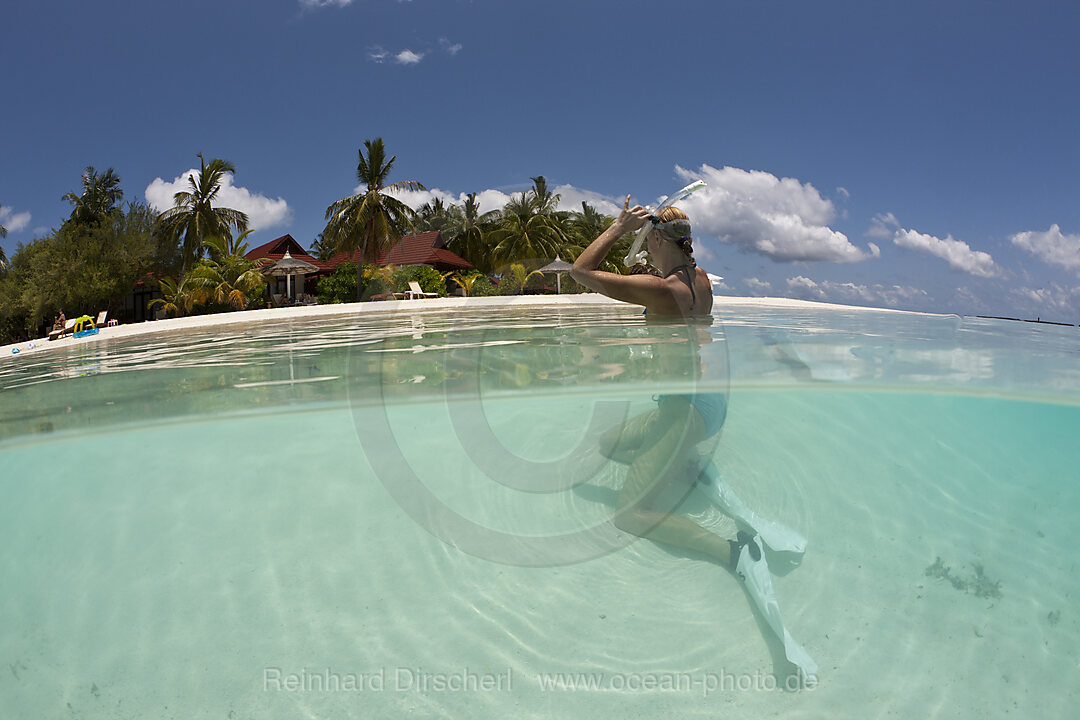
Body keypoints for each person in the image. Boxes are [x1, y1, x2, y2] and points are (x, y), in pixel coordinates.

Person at [570, 196, 753, 569]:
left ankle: (735, 553)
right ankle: (684, 464)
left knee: (630, 514)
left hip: (683, 411)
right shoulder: (700, 280)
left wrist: (620, 228)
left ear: (654, 241)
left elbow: (581, 271)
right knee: (610, 444)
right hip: (703, 402)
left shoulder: (661, 289)